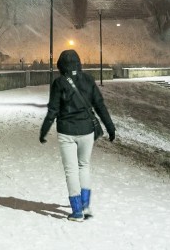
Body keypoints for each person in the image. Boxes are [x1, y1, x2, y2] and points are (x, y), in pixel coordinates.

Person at [40, 49, 115, 222]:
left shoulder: (59, 83)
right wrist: (110, 128)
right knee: (84, 166)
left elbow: (53, 110)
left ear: (60, 65)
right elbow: (100, 105)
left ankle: (77, 211)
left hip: (66, 132)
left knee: (71, 170)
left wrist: (44, 131)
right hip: (87, 131)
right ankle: (85, 203)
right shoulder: (88, 80)